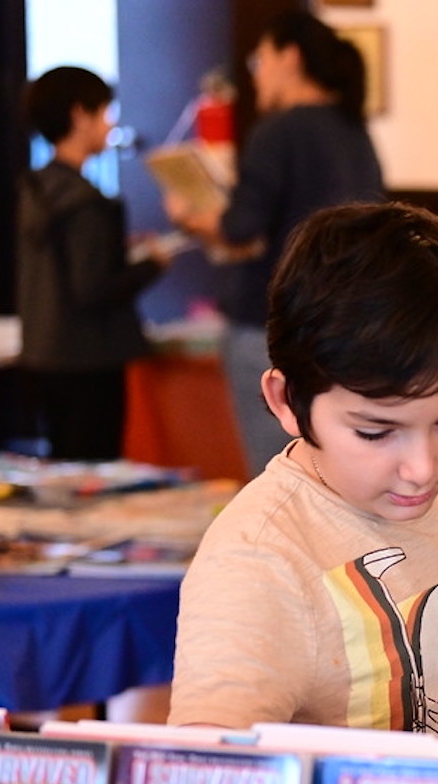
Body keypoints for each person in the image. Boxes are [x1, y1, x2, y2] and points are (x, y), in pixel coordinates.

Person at [168, 201, 438, 752]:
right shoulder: (257, 562)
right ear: (287, 402)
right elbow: (207, 783)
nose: (422, 469)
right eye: (375, 433)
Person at [170, 11, 384, 478]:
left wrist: (191, 218)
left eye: (259, 59)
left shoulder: (279, 131)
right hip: (345, 329)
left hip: (272, 327)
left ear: (290, 57)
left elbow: (241, 226)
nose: (256, 73)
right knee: (333, 475)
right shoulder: (353, 130)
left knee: (279, 475)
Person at [15, 66, 171, 461]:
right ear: (79, 115)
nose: (109, 124)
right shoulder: (85, 201)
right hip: (88, 358)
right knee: (92, 472)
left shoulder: (37, 188)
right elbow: (93, 289)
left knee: (63, 465)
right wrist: (151, 264)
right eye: (104, 112)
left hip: (45, 350)